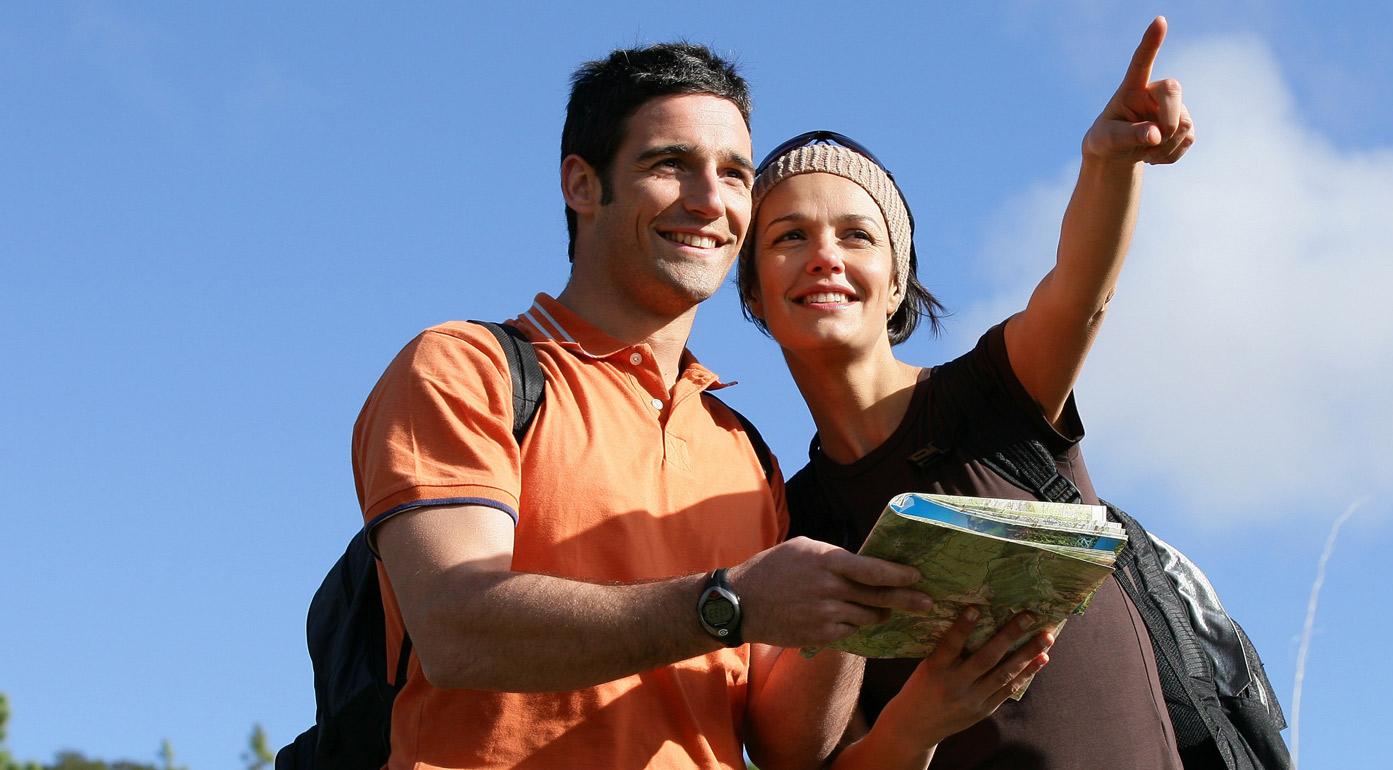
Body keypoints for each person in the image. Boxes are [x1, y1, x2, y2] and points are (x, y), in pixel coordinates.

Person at [351, 43, 938, 770]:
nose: (710, 200)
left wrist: (853, 617)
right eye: (670, 165)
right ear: (582, 183)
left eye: (734, 174)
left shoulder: (744, 451)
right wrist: (731, 602)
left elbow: (785, 747)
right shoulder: (467, 367)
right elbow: (455, 626)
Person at [736, 17, 1196, 770]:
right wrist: (914, 727)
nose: (823, 256)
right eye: (788, 237)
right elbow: (807, 760)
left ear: (895, 283)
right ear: (754, 293)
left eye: (856, 235)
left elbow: (1080, 290)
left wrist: (1109, 164)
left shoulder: (992, 397)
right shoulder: (794, 526)